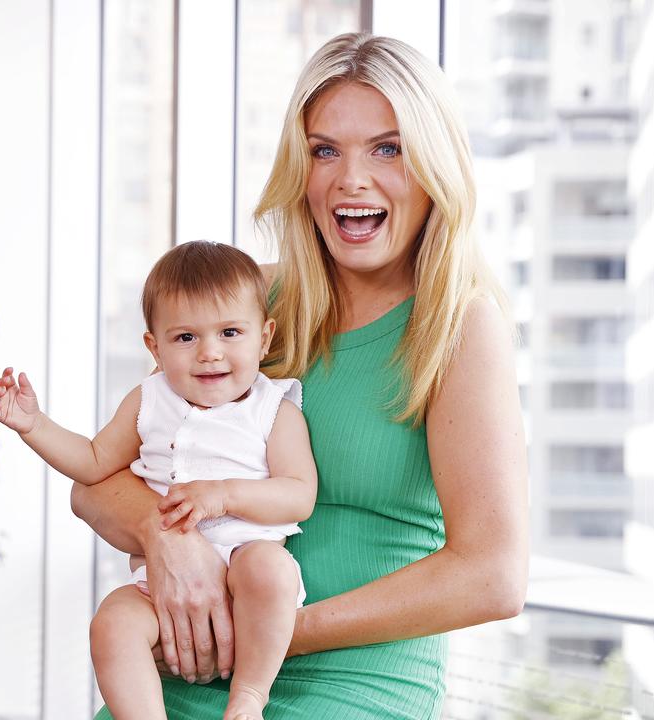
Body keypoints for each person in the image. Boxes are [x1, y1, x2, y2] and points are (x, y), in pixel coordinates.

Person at [74, 32, 529, 719]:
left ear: (434, 166)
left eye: (388, 147)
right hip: (186, 670)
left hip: (351, 684)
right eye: (324, 150)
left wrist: (270, 630)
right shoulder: (248, 309)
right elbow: (99, 481)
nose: (351, 178)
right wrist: (166, 541)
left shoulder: (462, 329)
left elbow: (493, 578)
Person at [0, 241, 318, 720]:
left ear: (264, 339)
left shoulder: (274, 408)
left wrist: (224, 495)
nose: (210, 353)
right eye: (186, 338)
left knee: (273, 574)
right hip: (161, 582)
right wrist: (35, 426)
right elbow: (94, 462)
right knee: (111, 625)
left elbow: (298, 494)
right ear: (154, 346)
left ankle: (248, 699)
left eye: (230, 332)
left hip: (247, 558)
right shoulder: (147, 400)